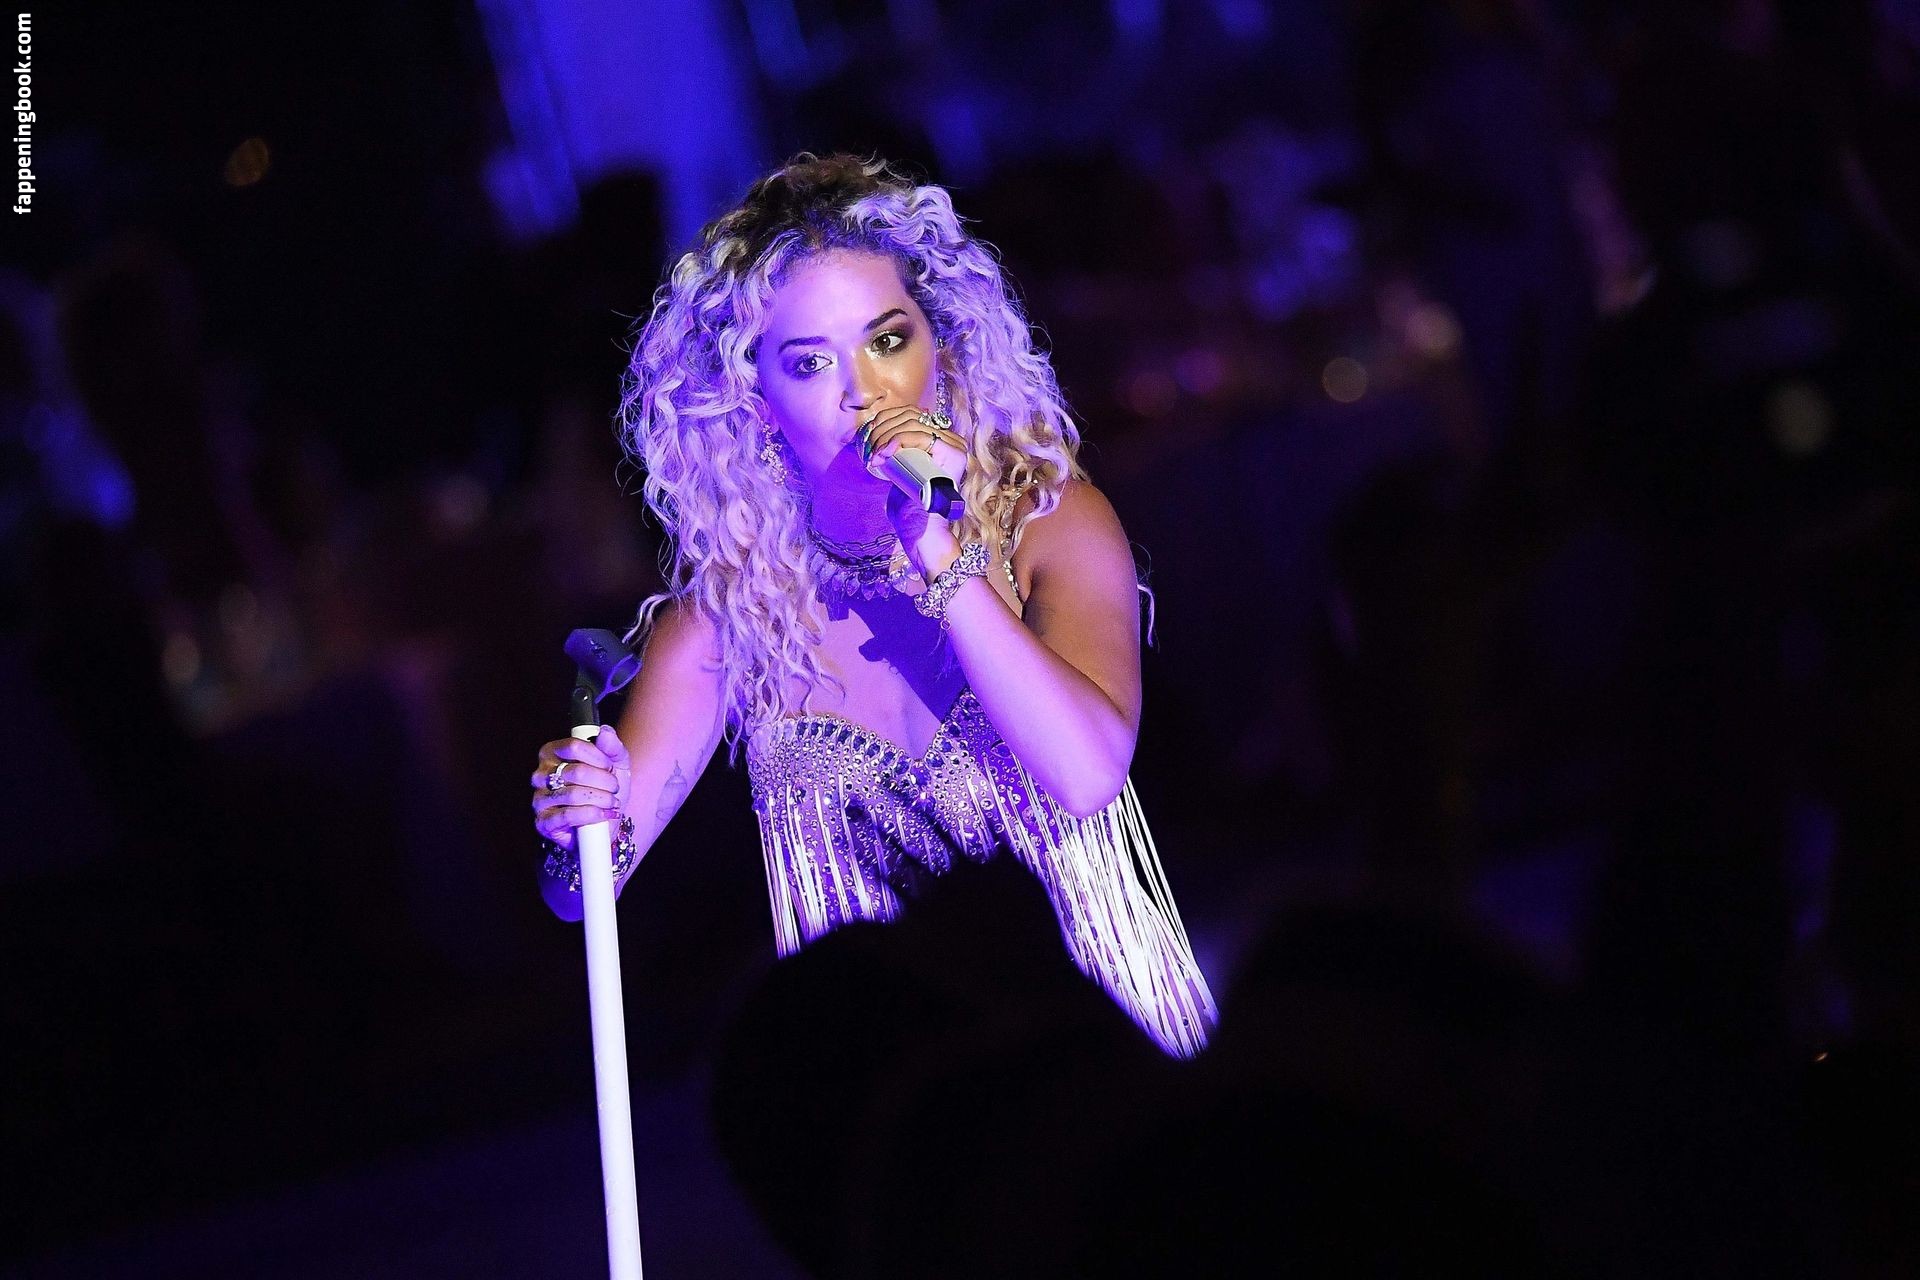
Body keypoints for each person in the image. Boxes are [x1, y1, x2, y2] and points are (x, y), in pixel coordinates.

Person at [528, 153, 1215, 1057]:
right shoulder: (730, 618)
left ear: (942, 347)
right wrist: (577, 823)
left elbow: (1088, 774)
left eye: (888, 341)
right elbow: (580, 891)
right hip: (891, 1080)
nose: (865, 392)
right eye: (812, 362)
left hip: (1098, 1051)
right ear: (758, 401)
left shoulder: (1051, 525)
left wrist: (938, 546)